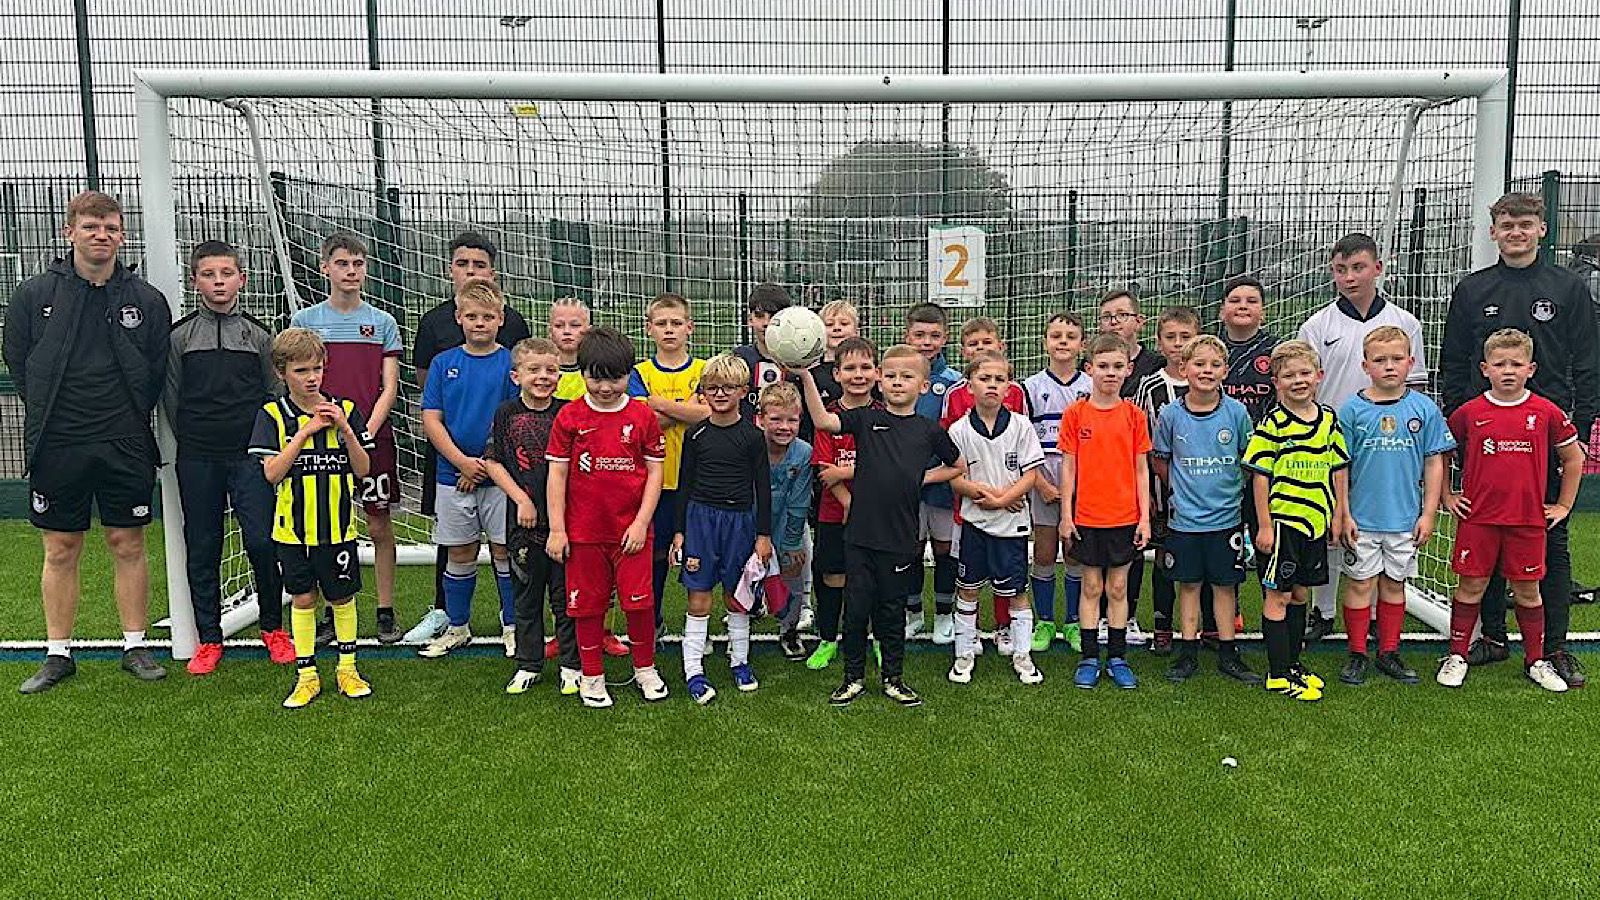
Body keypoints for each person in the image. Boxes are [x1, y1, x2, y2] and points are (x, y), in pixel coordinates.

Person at [5, 190, 171, 694]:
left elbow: (158, 368)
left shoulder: (144, 299)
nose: (102, 235)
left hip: (124, 440)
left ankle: (135, 645)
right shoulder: (35, 296)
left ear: (122, 235)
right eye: (91, 225)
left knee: (128, 540)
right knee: (61, 546)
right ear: (69, 231)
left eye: (111, 227)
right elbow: (17, 359)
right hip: (60, 440)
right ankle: (58, 653)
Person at [1440, 192, 1599, 687]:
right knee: (1483, 529)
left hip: (1544, 435)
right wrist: (1457, 428)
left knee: (1552, 539)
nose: (1516, 231)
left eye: (1526, 223)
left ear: (1541, 230)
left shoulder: (1569, 289)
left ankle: (1553, 647)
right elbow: (1454, 362)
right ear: (1494, 231)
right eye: (1507, 224)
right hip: (1485, 432)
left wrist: (1583, 425)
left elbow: (1587, 362)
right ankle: (1490, 637)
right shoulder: (1472, 289)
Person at [796, 345, 965, 708]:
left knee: (891, 612)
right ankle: (852, 678)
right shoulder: (865, 420)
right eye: (890, 376)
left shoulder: (928, 430)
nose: (897, 382)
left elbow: (958, 465)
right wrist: (806, 375)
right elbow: (825, 422)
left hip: (901, 537)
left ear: (923, 386)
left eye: (906, 377)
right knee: (856, 610)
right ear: (879, 381)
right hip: (859, 535)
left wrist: (920, 478)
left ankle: (894, 678)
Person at [1295, 233, 1428, 641]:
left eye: (1358, 268)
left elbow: (1417, 388)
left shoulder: (1406, 323)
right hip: (1331, 441)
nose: (1349, 277)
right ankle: (1323, 609)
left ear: (1378, 269)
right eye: (1340, 269)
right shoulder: (1317, 325)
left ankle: (1372, 614)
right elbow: (1304, 387)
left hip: (1386, 446)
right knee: (1333, 526)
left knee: (1372, 525)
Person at [1437, 329, 1582, 693]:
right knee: (1471, 585)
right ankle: (1457, 654)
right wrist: (1447, 494)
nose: (1508, 371)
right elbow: (1440, 453)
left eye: (1516, 364)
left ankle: (1535, 660)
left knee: (1527, 591)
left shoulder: (1545, 411)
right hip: (1479, 519)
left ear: (1531, 368)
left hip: (1527, 521)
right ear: (1485, 368)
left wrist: (1563, 504)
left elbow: (1573, 456)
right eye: (1499, 364)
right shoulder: (1470, 413)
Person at [164, 240, 286, 675]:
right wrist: (194, 441)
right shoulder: (180, 336)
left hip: (250, 457)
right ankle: (209, 637)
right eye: (209, 274)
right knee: (203, 544)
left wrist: (259, 446)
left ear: (242, 279)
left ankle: (272, 626)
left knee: (260, 540)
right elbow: (171, 399)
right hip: (198, 457)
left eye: (226, 274)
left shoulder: (258, 335)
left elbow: (273, 397)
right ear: (195, 280)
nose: (218, 282)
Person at [404, 232, 531, 645]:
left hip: (499, 476)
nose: (479, 323)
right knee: (459, 553)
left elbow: (514, 420)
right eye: (472, 317)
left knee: (503, 552)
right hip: (451, 473)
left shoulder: (510, 365)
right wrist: (461, 463)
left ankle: (512, 625)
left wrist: (486, 465)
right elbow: (432, 418)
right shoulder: (444, 362)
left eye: (487, 318)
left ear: (501, 319)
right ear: (458, 318)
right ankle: (457, 627)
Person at [249, 328, 375, 709]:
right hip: (293, 533)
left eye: (317, 369)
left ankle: (347, 669)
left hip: (338, 529)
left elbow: (363, 469)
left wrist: (346, 431)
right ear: (281, 372)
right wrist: (305, 432)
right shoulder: (272, 415)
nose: (312, 378)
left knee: (342, 597)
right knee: (303, 599)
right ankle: (307, 676)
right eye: (302, 370)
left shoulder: (346, 409)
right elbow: (272, 473)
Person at [545, 327, 669, 708]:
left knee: (639, 602)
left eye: (614, 378)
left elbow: (654, 472)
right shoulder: (569, 416)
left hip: (631, 531)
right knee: (587, 604)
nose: (605, 387)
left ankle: (645, 668)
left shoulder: (642, 415)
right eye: (596, 377)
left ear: (629, 375)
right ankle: (592, 674)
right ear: (582, 373)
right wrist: (557, 528)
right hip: (583, 532)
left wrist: (641, 522)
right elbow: (558, 475)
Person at [290, 233, 402, 644]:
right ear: (326, 268)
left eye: (358, 264)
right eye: (342, 264)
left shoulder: (383, 322)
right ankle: (325, 609)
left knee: (378, 522)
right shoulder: (305, 320)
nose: (351, 271)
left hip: (372, 436)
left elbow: (388, 387)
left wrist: (366, 429)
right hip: (321, 439)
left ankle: (385, 610)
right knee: (324, 525)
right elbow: (298, 380)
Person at [1334, 326, 1452, 686]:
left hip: (1404, 519)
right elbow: (1340, 464)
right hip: (1363, 519)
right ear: (1365, 365)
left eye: (1397, 359)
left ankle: (1388, 651)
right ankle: (1357, 654)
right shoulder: (1352, 410)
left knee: (1394, 584)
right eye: (1380, 360)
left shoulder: (1423, 408)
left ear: (1411, 363)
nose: (1389, 366)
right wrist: (1344, 512)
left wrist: (1428, 513)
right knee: (1359, 585)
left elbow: (1435, 461)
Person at [1243, 340, 1350, 702]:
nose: (1298, 381)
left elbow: (1338, 467)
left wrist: (1339, 512)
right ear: (1276, 382)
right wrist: (1264, 525)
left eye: (1305, 373)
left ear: (1319, 376)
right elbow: (1260, 477)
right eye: (1289, 375)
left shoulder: (1329, 420)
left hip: (1315, 524)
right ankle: (1277, 673)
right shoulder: (1272, 424)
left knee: (1302, 592)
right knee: (1278, 595)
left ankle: (1293, 663)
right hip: (1284, 523)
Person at [1151, 335, 1260, 685]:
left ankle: (1228, 651)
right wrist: (1183, 491)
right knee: (1189, 585)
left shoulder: (1237, 413)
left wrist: (1228, 490)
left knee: (1225, 587)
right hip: (1185, 520)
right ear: (1184, 369)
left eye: (1214, 365)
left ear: (1225, 371)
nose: (1206, 371)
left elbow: (1248, 460)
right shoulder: (1170, 415)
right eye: (1199, 364)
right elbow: (1161, 460)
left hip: (1226, 518)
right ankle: (1187, 652)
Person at [673, 353, 773, 704]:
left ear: (744, 392)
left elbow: (763, 487)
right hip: (701, 520)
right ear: (703, 392)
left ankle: (740, 661)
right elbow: (684, 484)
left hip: (741, 523)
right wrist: (680, 530)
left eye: (727, 388)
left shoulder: (752, 436)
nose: (719, 394)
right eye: (712, 388)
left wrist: (763, 535)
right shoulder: (696, 434)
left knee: (738, 597)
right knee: (699, 597)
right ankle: (693, 669)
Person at [483, 338, 580, 695]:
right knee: (526, 595)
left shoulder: (569, 412)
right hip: (523, 526)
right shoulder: (506, 413)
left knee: (565, 595)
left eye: (551, 370)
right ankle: (529, 663)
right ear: (516, 375)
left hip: (565, 524)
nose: (543, 377)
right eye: (534, 370)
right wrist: (521, 499)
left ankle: (571, 664)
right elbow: (492, 461)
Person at [946, 350, 1046, 686]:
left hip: (1012, 525)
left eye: (999, 379)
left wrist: (1004, 499)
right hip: (974, 523)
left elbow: (1031, 474)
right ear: (969, 385)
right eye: (984, 378)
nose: (991, 385)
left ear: (1009, 387)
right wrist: (980, 494)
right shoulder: (959, 430)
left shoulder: (1020, 426)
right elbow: (955, 477)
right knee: (968, 589)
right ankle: (963, 654)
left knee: (1016, 592)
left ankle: (1022, 654)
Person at [1060, 334, 1152, 691]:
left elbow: (1141, 469)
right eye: (1103, 367)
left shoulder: (1134, 416)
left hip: (1124, 518)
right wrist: (1067, 515)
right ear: (1089, 370)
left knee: (1117, 588)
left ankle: (1116, 657)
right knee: (1091, 586)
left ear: (1128, 370)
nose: (1110, 373)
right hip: (1086, 518)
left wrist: (1144, 517)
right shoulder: (1076, 414)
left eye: (1117, 367)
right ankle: (1088, 657)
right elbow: (1068, 469)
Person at [940, 316, 1027, 650]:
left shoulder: (1017, 398)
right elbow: (950, 452)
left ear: (1001, 347)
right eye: (974, 344)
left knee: (1010, 574)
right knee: (971, 575)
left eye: (987, 342)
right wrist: (978, 492)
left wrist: (1012, 493)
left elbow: (1023, 447)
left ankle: (1006, 627)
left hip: (1011, 501)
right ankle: (969, 634)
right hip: (971, 503)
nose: (981, 348)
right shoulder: (955, 400)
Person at [628, 292, 708, 636]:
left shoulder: (705, 370)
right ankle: (653, 621)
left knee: (701, 555)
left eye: (676, 323)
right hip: (652, 484)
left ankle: (698, 630)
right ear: (649, 330)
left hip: (699, 481)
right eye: (661, 324)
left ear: (689, 327)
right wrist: (684, 408)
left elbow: (709, 413)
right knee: (654, 555)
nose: (669, 330)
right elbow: (641, 422)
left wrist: (659, 404)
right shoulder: (639, 372)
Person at [806, 336, 881, 671]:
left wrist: (848, 474)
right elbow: (825, 471)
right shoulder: (830, 417)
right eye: (849, 368)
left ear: (877, 373)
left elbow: (887, 468)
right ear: (836, 375)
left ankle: (876, 638)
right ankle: (827, 639)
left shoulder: (885, 415)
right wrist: (848, 500)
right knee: (833, 576)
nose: (858, 374)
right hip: (834, 512)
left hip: (877, 515)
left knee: (873, 579)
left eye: (866, 367)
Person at [1133, 306, 1200, 655]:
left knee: (1202, 559)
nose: (1178, 345)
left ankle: (1211, 628)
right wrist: (1150, 489)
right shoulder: (1151, 386)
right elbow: (1143, 441)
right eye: (1170, 338)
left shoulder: (1207, 381)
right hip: (1163, 489)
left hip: (1204, 493)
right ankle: (1162, 625)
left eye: (1185, 337)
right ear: (1159, 343)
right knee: (1163, 557)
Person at [1024, 312, 1092, 654]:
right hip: (1044, 479)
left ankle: (1075, 622)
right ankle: (1045, 620)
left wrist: (1080, 486)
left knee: (1076, 551)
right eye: (1056, 335)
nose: (1062, 341)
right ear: (1045, 342)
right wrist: (1041, 485)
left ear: (1082, 344)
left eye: (1070, 336)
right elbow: (1024, 442)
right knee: (1045, 550)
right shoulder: (1031, 387)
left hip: (1083, 483)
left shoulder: (1092, 387)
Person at [902, 302, 965, 643]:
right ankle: (913, 612)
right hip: (904, 484)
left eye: (934, 335)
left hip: (941, 482)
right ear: (906, 335)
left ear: (945, 338)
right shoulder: (895, 378)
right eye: (919, 335)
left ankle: (944, 614)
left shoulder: (954, 383)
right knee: (910, 549)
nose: (926, 342)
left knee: (944, 549)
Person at [757, 382, 814, 661]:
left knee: (793, 569)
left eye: (792, 420)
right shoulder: (750, 446)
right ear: (760, 419)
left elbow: (799, 500)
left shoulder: (803, 452)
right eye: (776, 419)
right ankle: (740, 625)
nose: (784, 427)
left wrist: (790, 541)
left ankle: (789, 630)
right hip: (752, 521)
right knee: (742, 573)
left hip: (790, 520)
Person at [1218, 275, 1281, 425]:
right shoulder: (1209, 348)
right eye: (1234, 301)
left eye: (1252, 301)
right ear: (1221, 312)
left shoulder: (1277, 350)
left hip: (1265, 436)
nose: (1243, 306)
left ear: (1263, 313)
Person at [549, 296, 592, 401]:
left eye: (575, 325)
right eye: (559, 326)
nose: (567, 331)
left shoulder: (595, 372)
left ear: (588, 330)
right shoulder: (541, 372)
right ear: (550, 331)